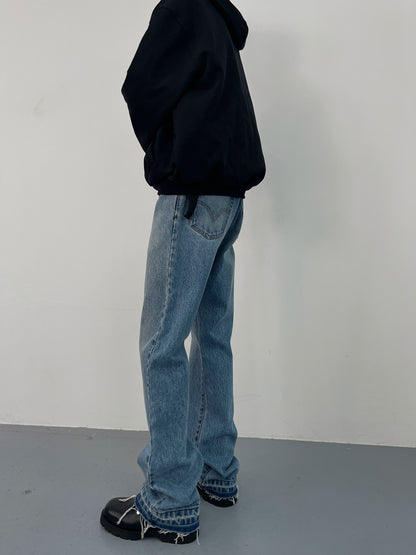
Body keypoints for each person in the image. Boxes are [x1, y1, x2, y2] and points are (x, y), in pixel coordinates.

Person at [99, 0, 266, 545]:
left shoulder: (181, 9)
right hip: (228, 196)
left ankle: (169, 499)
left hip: (192, 196)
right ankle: (216, 471)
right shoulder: (219, 18)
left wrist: (168, 156)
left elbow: (140, 88)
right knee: (212, 334)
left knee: (161, 343)